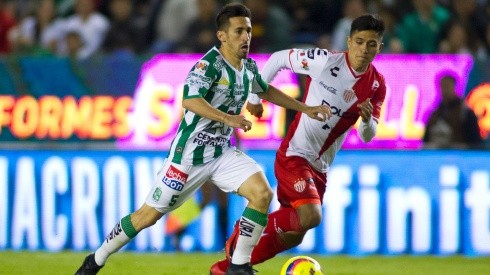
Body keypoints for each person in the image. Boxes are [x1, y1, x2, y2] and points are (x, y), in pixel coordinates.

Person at [75, 3, 330, 275]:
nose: (246, 37)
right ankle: (96, 259)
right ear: (222, 35)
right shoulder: (208, 65)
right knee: (146, 217)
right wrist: (229, 119)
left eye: (248, 31)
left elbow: (266, 90)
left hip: (221, 153)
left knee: (262, 193)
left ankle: (238, 265)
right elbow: (191, 100)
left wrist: (305, 108)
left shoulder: (249, 68)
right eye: (239, 31)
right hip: (188, 157)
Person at [211, 13, 387, 274]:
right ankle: (243, 230)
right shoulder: (325, 61)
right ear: (349, 41)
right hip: (295, 154)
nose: (364, 50)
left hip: (320, 167)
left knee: (296, 234)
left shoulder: (377, 85)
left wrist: (366, 120)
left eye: (371, 44)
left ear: (379, 47)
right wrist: (256, 99)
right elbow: (278, 59)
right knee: (311, 216)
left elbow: (366, 135)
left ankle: (226, 268)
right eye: (359, 42)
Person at [423, 75, 482, 149]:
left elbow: (475, 143)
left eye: (447, 86)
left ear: (454, 87)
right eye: (442, 86)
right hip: (436, 157)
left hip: (460, 157)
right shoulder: (434, 114)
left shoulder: (466, 114)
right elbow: (425, 141)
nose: (445, 90)